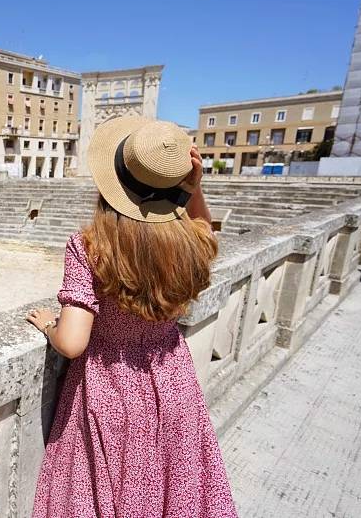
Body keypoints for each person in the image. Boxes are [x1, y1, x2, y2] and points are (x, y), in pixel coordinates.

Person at [27, 117, 237, 518]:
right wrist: (194, 191)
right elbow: (205, 230)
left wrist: (49, 326)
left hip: (110, 390)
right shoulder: (190, 241)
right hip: (172, 381)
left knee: (103, 493)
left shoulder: (89, 245)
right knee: (165, 487)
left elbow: (72, 342)